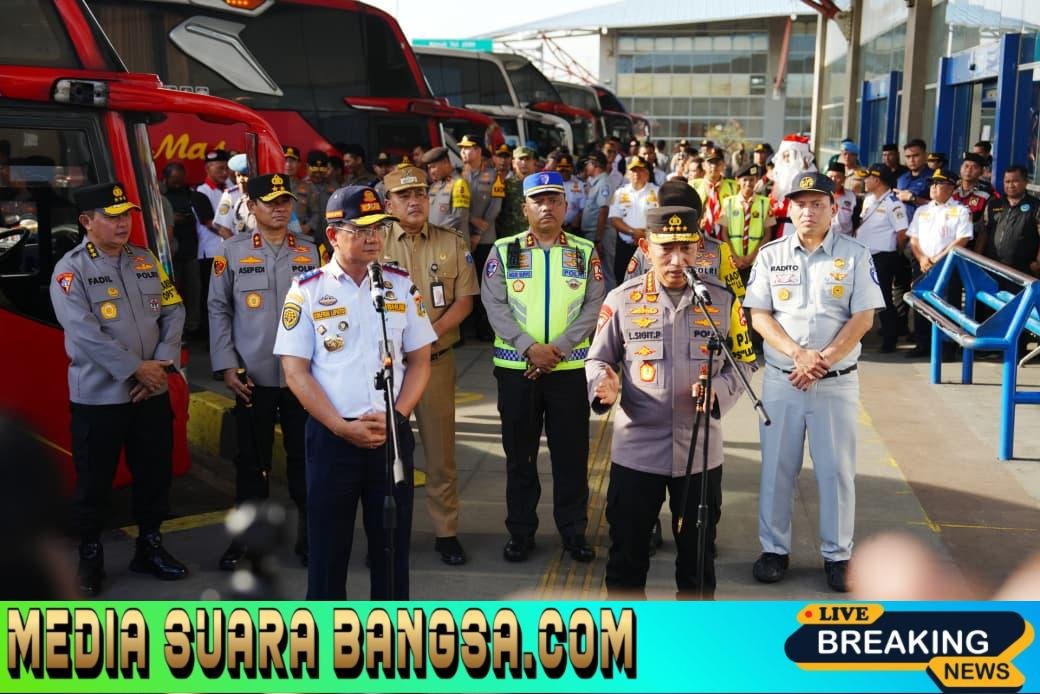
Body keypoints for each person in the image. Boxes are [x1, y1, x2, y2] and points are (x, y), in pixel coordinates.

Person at [587, 205, 757, 599]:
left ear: (699, 248)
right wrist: (603, 385)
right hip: (636, 454)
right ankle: (631, 647)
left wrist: (720, 393)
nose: (677, 260)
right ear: (646, 247)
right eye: (666, 249)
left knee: (697, 567)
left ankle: (690, 649)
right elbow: (598, 357)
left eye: (686, 248)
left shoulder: (721, 301)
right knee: (626, 563)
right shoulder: (623, 299)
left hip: (700, 455)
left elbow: (745, 362)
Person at [274, 185, 436, 600]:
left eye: (378, 228)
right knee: (328, 551)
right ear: (333, 235)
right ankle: (329, 644)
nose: (372, 238)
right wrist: (338, 426)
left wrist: (398, 415)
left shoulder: (398, 285)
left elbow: (420, 359)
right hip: (332, 438)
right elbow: (295, 370)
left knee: (392, 549)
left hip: (390, 439)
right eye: (360, 229)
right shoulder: (307, 290)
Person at [743, 171, 885, 593]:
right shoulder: (771, 255)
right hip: (784, 379)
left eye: (817, 203)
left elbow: (864, 317)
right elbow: (760, 315)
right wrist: (798, 354)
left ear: (833, 207)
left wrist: (822, 359)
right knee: (777, 468)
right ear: (789, 208)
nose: (808, 211)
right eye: (800, 203)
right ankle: (774, 550)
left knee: (836, 471)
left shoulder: (856, 254)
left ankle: (838, 556)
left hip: (835, 382)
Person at [49, 181, 189, 595]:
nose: (122, 223)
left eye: (126, 214)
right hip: (100, 397)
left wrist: (160, 365)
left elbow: (174, 309)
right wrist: (135, 370)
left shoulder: (146, 260)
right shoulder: (71, 270)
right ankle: (90, 558)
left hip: (153, 392)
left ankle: (149, 546)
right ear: (87, 222)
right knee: (94, 482)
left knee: (154, 474)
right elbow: (83, 333)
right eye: (112, 216)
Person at [481, 170, 606, 564]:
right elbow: (495, 305)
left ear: (566, 207)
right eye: (539, 200)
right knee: (520, 458)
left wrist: (559, 349)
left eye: (554, 200)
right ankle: (520, 533)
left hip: (568, 372)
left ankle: (573, 533)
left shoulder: (584, 251)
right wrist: (529, 348)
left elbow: (594, 305)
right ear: (525, 208)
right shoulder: (505, 249)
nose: (547, 207)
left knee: (571, 456)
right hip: (517, 369)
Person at [208, 173, 320, 570]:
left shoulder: (311, 251)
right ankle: (247, 541)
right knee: (250, 461)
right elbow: (218, 308)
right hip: (251, 375)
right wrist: (226, 364)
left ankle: (312, 535)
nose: (280, 207)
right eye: (270, 201)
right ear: (250, 207)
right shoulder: (231, 251)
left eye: (285, 200)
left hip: (301, 377)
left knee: (305, 457)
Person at [381, 165, 480, 565]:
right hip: (387, 368)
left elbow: (464, 301)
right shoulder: (376, 241)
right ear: (389, 204)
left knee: (440, 454)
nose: (414, 201)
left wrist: (426, 337)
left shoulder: (451, 242)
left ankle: (446, 532)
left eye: (420, 193)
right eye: (404, 196)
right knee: (386, 454)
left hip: (436, 363)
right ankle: (387, 532)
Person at [905, 168, 973, 358]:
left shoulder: (960, 211)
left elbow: (962, 239)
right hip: (923, 265)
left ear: (951, 187)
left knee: (947, 306)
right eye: (932, 183)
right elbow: (914, 239)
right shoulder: (922, 210)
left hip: (947, 266)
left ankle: (948, 347)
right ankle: (923, 344)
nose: (933, 187)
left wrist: (938, 258)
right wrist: (922, 258)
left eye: (939, 184)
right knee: (921, 304)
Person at [851, 164, 909, 353]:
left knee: (882, 299)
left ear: (877, 180)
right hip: (865, 256)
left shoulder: (894, 203)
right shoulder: (869, 200)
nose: (864, 182)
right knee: (863, 298)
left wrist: (897, 252)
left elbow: (902, 233)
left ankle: (890, 339)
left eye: (867, 178)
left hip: (883, 257)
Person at [163, 162, 211, 337]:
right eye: (174, 180)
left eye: (180, 180)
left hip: (191, 250)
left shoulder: (191, 194)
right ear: (166, 178)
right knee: (172, 291)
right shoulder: (161, 196)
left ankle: (193, 325)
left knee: (193, 289)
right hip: (170, 253)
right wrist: (172, 219)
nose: (178, 184)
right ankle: (176, 328)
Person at [608, 155, 659, 284]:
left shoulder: (657, 191)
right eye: (633, 170)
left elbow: (661, 217)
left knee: (649, 281)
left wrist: (645, 234)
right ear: (628, 174)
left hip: (649, 246)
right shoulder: (620, 193)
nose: (636, 174)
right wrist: (633, 232)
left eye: (640, 170)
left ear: (646, 173)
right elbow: (614, 219)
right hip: (625, 246)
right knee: (623, 280)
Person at [580, 151, 615, 289]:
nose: (586, 167)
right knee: (596, 272)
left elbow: (604, 210)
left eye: (587, 164)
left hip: (601, 234)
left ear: (594, 164)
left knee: (605, 272)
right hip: (594, 234)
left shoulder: (603, 183)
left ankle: (611, 307)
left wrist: (598, 239)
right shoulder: (596, 182)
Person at [424, 146, 471, 237]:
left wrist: (436, 234)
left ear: (446, 162)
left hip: (454, 244)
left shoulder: (459, 183)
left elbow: (458, 216)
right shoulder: (434, 186)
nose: (431, 171)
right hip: (437, 243)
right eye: (429, 168)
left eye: (433, 167)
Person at [691, 151, 739, 239]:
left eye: (717, 163)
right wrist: (697, 223)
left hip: (726, 234)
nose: (714, 166)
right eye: (710, 163)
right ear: (703, 166)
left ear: (723, 165)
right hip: (700, 232)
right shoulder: (693, 185)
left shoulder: (734, 186)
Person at [497, 146, 536, 238]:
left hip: (535, 238)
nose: (524, 163)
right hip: (512, 238)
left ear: (534, 162)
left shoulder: (541, 185)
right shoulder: (505, 185)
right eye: (521, 159)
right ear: (513, 163)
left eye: (527, 159)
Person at [213, 153, 254, 237]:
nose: (241, 180)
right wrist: (237, 248)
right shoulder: (230, 195)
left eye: (245, 175)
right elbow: (223, 229)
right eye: (238, 176)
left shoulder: (262, 193)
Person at [827, 162, 859, 235]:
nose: (833, 179)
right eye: (830, 176)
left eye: (837, 177)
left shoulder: (851, 196)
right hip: (824, 238)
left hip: (845, 239)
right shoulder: (819, 195)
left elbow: (856, 220)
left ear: (844, 179)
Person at [558, 153, 585, 232]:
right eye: (561, 169)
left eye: (567, 168)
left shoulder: (580, 184)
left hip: (573, 228)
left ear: (572, 168)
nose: (564, 171)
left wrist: (578, 217)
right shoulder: (550, 184)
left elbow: (583, 208)